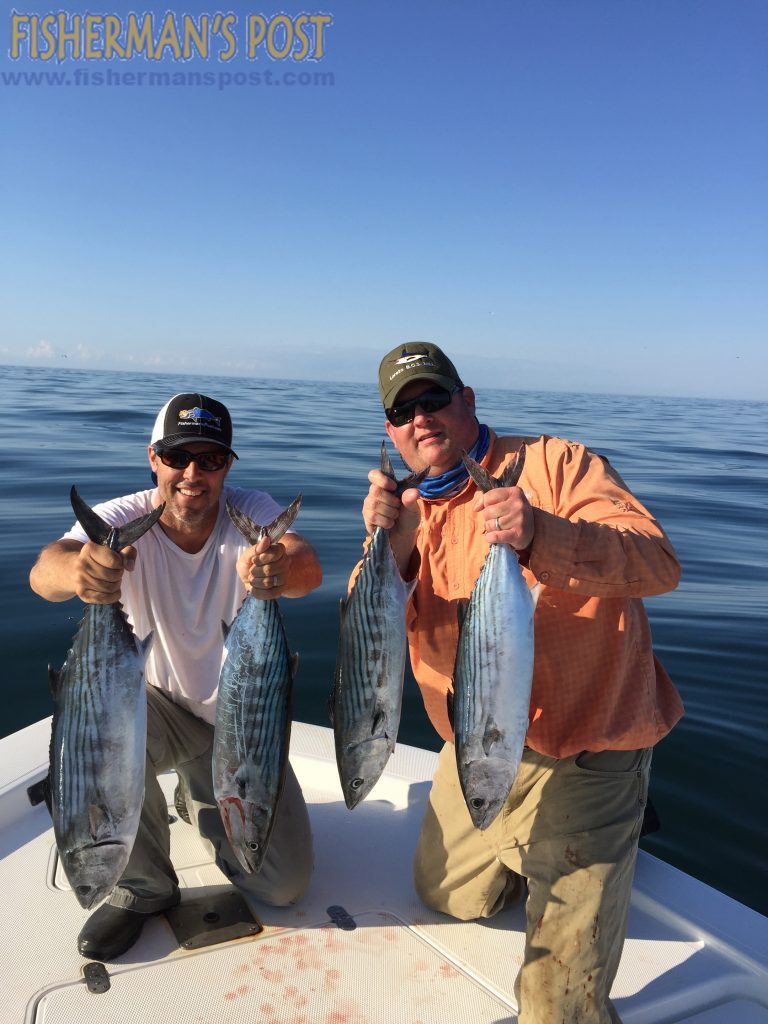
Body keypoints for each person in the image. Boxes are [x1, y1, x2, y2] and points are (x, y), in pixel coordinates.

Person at [359, 343, 683, 1024]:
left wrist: (539, 533)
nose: (421, 418)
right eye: (403, 411)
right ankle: (553, 843)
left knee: (555, 1001)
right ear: (390, 431)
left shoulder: (560, 465)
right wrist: (389, 547)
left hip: (588, 743)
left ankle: (608, 824)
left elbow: (658, 562)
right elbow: (363, 636)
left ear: (467, 400)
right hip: (483, 735)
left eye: (434, 400)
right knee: (447, 896)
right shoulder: (408, 509)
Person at [30, 392, 322, 961]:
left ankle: (198, 796)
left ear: (228, 466)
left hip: (240, 719)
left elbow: (306, 566)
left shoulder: (252, 513)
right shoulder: (121, 520)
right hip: (156, 708)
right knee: (104, 739)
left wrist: (277, 567)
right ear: (153, 458)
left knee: (282, 886)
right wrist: (81, 569)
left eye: (210, 459)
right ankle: (143, 888)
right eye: (177, 456)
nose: (193, 473)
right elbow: (46, 571)